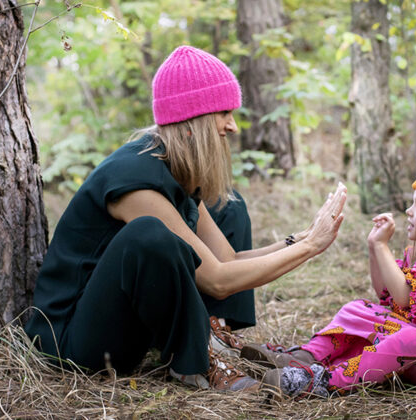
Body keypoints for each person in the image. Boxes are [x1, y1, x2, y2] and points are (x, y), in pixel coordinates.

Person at [24, 45, 347, 392]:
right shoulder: (134, 182)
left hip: (121, 321)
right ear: (193, 120)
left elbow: (228, 259)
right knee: (149, 233)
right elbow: (218, 280)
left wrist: (296, 240)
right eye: (224, 112)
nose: (233, 126)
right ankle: (195, 360)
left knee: (230, 207)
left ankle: (211, 332)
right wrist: (311, 247)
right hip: (74, 343)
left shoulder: (173, 167)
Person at [242, 160, 416, 398]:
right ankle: (304, 356)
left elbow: (405, 298)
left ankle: (322, 381)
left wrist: (382, 247)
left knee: (408, 340)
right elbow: (386, 295)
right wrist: (373, 246)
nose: (409, 211)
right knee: (358, 309)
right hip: (411, 345)